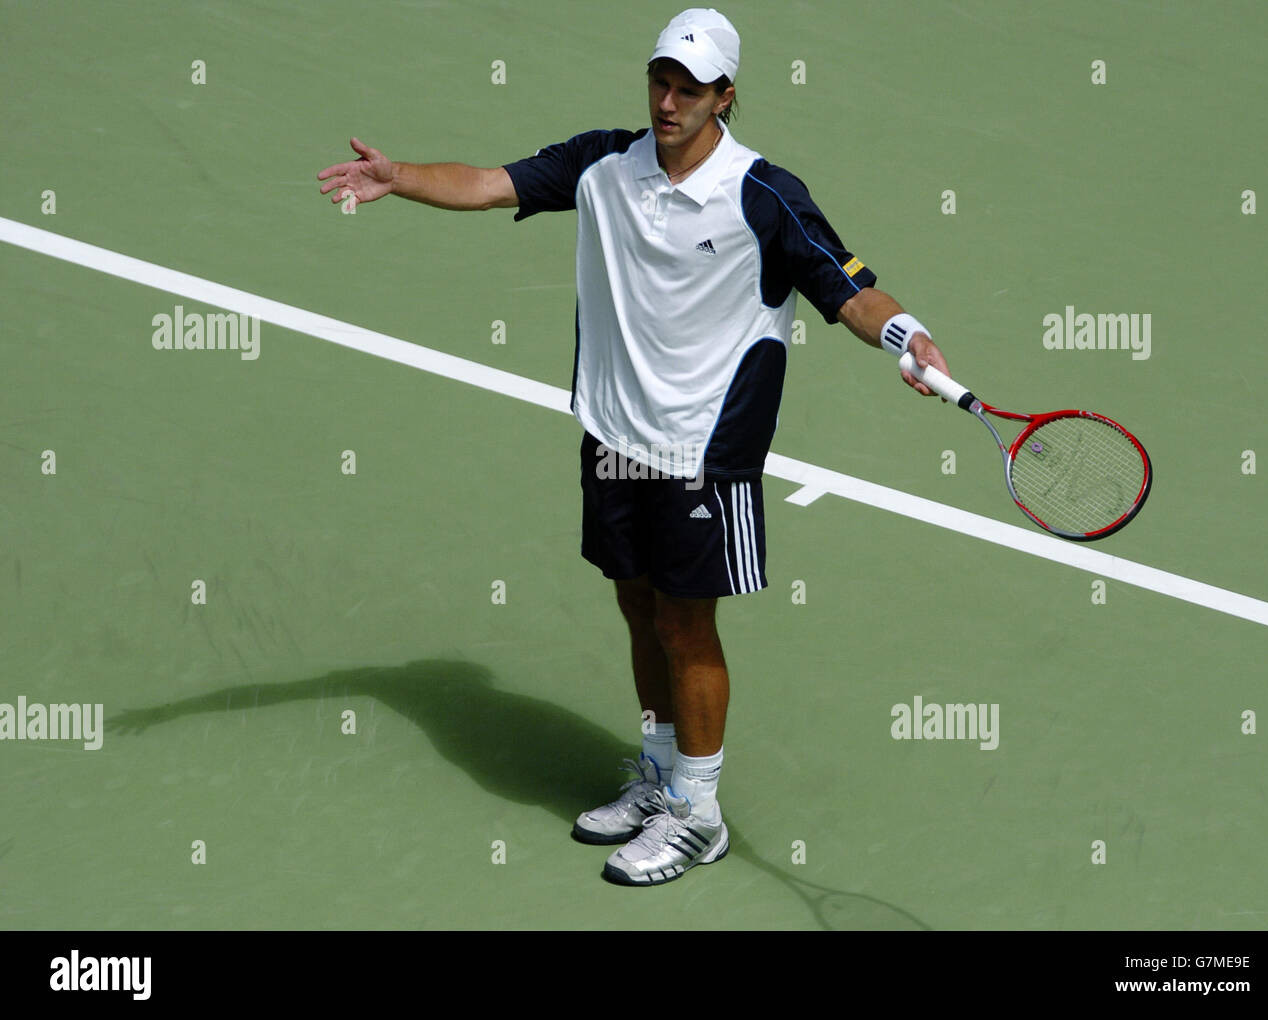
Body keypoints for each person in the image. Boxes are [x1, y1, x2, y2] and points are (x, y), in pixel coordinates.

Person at [317, 7, 950, 886]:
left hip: (704, 449)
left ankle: (699, 814)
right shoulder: (603, 165)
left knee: (688, 623)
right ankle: (661, 777)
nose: (667, 100)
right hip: (615, 435)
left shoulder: (762, 196)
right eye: (660, 79)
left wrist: (906, 339)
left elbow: (845, 287)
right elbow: (489, 182)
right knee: (637, 604)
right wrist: (400, 175)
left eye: (690, 88)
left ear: (725, 97)